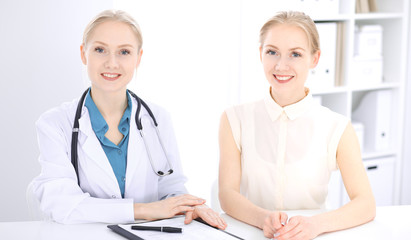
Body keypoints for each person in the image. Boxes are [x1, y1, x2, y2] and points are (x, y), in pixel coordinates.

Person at [30, 9, 226, 228]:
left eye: (124, 52)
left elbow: (171, 188)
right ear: (83, 54)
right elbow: (60, 203)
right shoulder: (55, 124)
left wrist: (189, 205)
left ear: (138, 58)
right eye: (100, 49)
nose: (112, 63)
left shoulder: (158, 119)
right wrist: (143, 210)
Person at [218, 11, 375, 239]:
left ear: (315, 58)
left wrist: (315, 225)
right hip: (251, 234)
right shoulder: (234, 119)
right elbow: (227, 193)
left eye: (295, 54)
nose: (281, 66)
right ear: (260, 54)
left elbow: (366, 203)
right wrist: (263, 219)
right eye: (272, 52)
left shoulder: (337, 127)